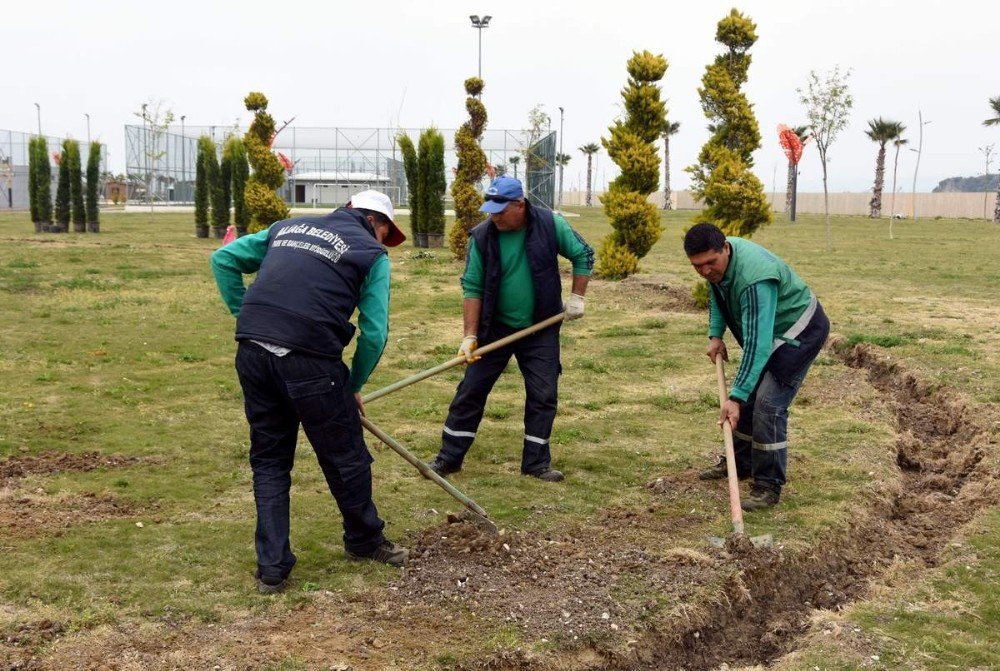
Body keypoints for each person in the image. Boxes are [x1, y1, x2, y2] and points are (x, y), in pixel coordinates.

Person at [210, 190, 410, 594]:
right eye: (386, 232)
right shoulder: (372, 255)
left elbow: (224, 258)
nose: (383, 242)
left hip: (252, 352)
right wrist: (352, 387)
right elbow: (375, 332)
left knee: (269, 460)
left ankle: (272, 569)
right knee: (346, 457)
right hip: (311, 362)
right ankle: (364, 541)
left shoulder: (285, 228)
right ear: (376, 221)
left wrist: (244, 312)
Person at [427, 176, 594, 483]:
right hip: (495, 328)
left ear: (520, 205)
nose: (494, 217)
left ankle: (536, 464)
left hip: (541, 326)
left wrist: (576, 297)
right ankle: (448, 459)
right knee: (471, 391)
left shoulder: (550, 225)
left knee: (544, 394)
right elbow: (473, 287)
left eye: (500, 211)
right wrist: (470, 336)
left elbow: (584, 254)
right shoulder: (481, 237)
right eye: (490, 211)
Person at [684, 223, 830, 511]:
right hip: (771, 332)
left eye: (710, 263)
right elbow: (717, 294)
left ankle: (767, 485)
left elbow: (758, 345)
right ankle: (741, 464)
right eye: (697, 266)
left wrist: (735, 397)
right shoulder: (719, 264)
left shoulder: (755, 280)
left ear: (725, 248)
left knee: (766, 404)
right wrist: (716, 335)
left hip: (800, 331)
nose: (705, 271)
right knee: (748, 396)